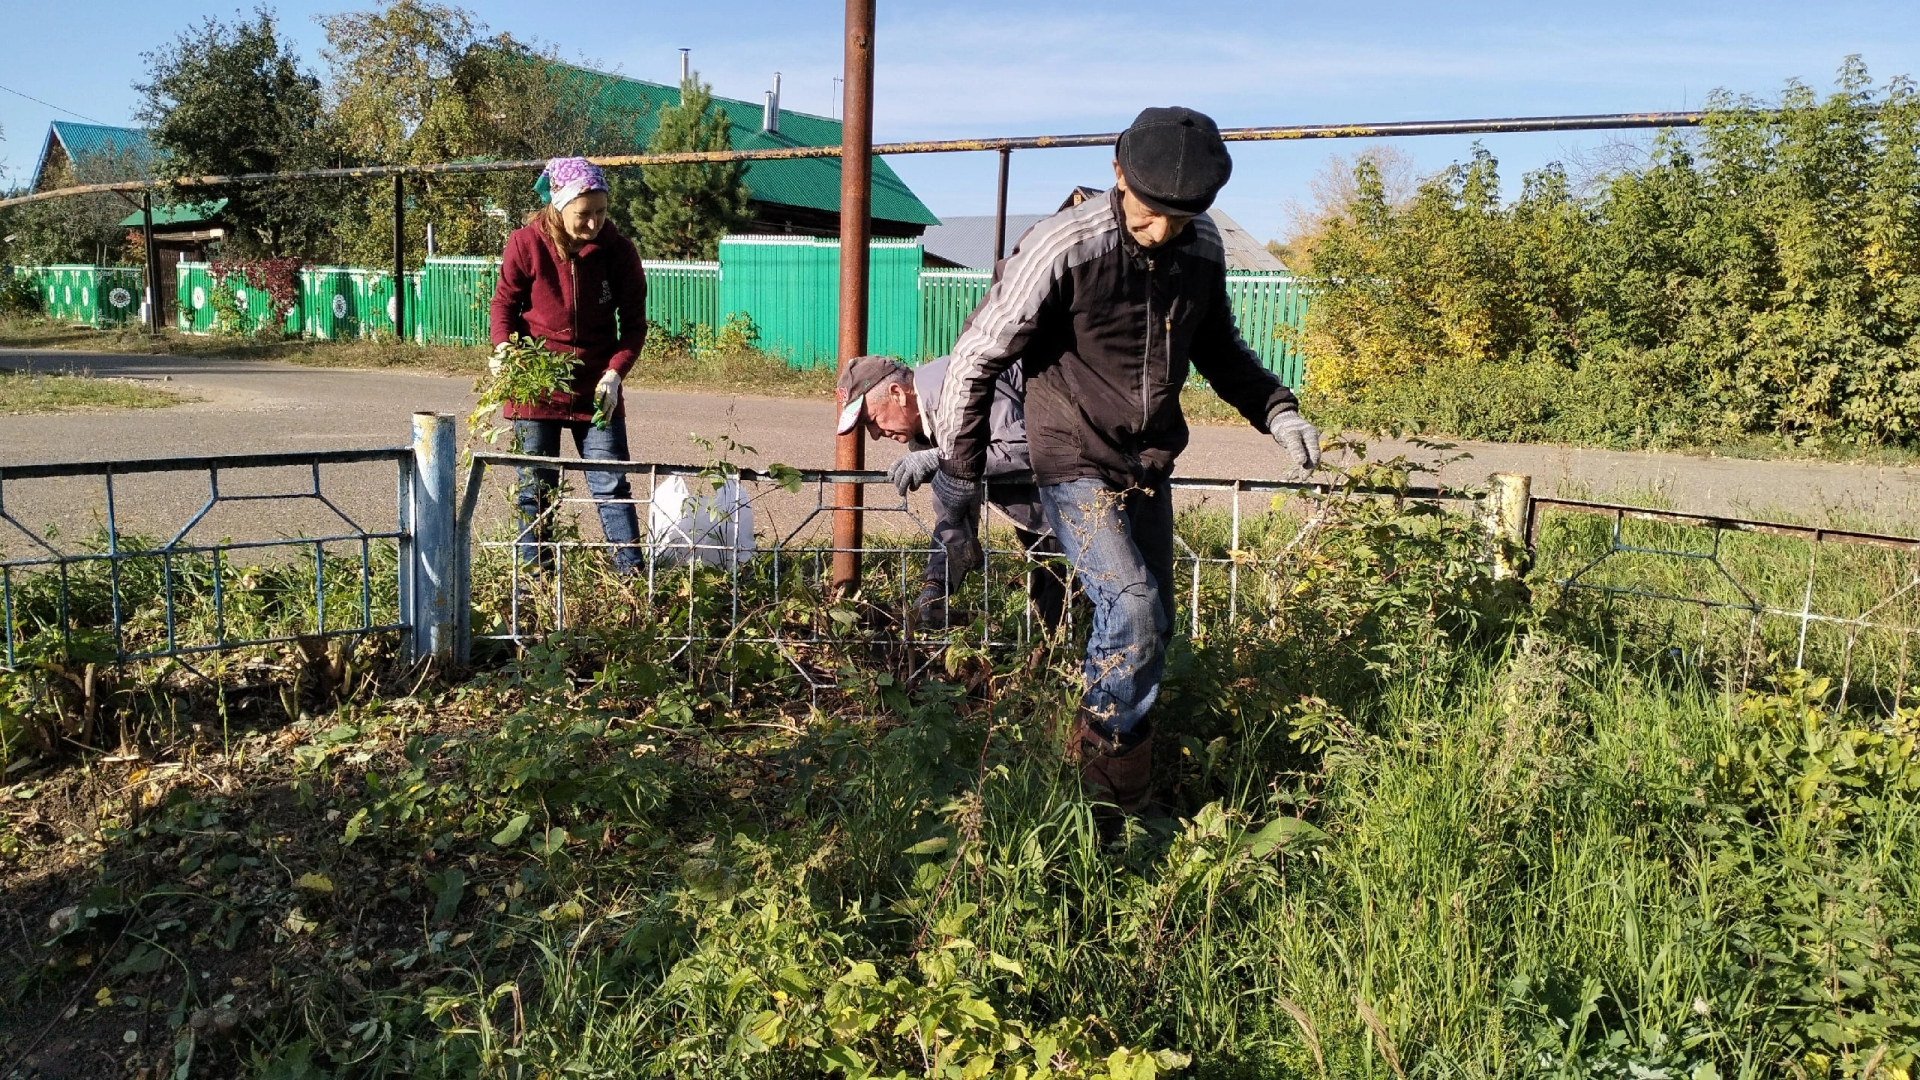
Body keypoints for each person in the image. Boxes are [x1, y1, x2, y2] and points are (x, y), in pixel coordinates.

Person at [936, 107, 1323, 815]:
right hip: (1071, 454)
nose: (1162, 232)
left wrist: (1277, 408)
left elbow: (1219, 347)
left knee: (1155, 622)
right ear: (1117, 173)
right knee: (1134, 605)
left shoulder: (1200, 244)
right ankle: (1105, 790)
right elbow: (974, 358)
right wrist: (958, 479)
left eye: (1182, 217)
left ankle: (1111, 768)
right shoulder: (1064, 245)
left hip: (1146, 462)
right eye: (1149, 215)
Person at [488, 157, 648, 575]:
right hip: (536, 383)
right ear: (558, 206)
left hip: (597, 387)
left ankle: (631, 582)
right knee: (534, 491)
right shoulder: (526, 243)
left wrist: (615, 373)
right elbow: (504, 303)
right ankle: (535, 584)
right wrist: (504, 347)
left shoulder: (620, 253)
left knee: (611, 484)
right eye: (584, 213)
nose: (594, 222)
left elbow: (633, 326)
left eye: (601, 211)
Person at [835, 353, 1065, 630]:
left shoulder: (960, 389)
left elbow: (1026, 448)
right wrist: (936, 582)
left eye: (872, 419)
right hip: (1046, 510)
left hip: (1089, 494)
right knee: (1054, 614)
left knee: (1093, 608)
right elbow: (954, 499)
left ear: (897, 394)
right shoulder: (925, 425)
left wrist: (943, 460)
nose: (873, 434)